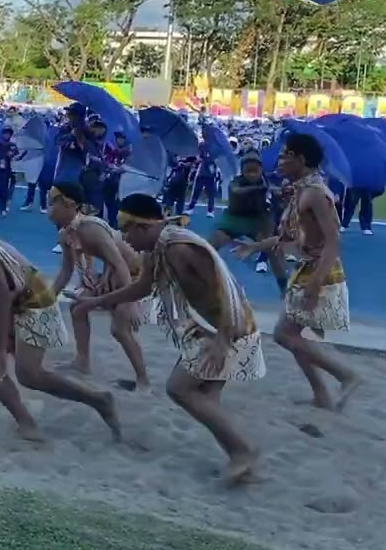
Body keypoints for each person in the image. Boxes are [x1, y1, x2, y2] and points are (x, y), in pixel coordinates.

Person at [71, 193, 265, 484]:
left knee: (180, 389)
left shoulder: (179, 248)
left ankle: (244, 452)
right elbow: (142, 287)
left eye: (126, 231)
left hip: (230, 326)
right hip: (211, 327)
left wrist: (224, 339)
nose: (125, 239)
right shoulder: (157, 250)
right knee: (205, 397)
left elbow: (226, 289)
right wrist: (96, 302)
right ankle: (242, 459)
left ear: (143, 227)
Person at [0, 192, 120, 444]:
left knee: (28, 374)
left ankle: (99, 400)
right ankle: (26, 422)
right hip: (10, 304)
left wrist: (1, 348)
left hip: (31, 300)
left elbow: (4, 292)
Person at [237, 133, 361, 410]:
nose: (279, 161)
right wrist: (255, 246)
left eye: (284, 156)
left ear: (300, 159)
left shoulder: (314, 193)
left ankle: (346, 375)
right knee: (291, 336)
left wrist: (316, 283)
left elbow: (333, 241)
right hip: (308, 268)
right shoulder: (302, 190)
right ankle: (322, 394)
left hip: (319, 272)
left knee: (286, 335)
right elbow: (290, 237)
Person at [46, 182, 151, 391]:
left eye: (52, 203)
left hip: (133, 273)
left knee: (120, 329)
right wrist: (47, 300)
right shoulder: (66, 235)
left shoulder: (91, 229)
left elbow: (121, 264)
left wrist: (130, 302)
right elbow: (66, 272)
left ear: (69, 205)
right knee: (78, 309)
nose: (49, 209)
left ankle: (143, 380)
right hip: (114, 271)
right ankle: (82, 362)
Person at [211, 155, 288, 294]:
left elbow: (279, 196)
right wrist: (263, 189)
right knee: (212, 244)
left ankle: (285, 288)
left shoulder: (268, 180)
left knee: (274, 251)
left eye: (255, 170)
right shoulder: (236, 182)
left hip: (257, 221)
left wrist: (280, 193)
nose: (252, 174)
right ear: (242, 171)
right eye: (248, 171)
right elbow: (237, 191)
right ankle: (197, 278)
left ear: (261, 169)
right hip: (234, 219)